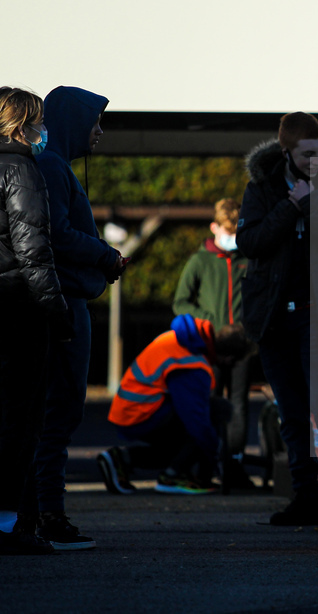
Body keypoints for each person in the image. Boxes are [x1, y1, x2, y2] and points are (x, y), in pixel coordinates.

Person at [237, 112, 318, 525]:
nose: (317, 160)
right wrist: (290, 209)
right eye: (308, 153)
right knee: (290, 413)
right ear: (286, 149)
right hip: (273, 319)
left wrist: (312, 202)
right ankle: (306, 497)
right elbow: (249, 242)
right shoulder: (262, 188)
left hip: (317, 318)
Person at [27, 86, 127, 550]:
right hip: (64, 306)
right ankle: (49, 515)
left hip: (64, 302)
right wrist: (106, 255)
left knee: (52, 415)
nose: (100, 132)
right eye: (95, 122)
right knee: (59, 415)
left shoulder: (53, 166)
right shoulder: (51, 168)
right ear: (72, 123)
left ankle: (39, 512)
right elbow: (59, 234)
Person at [0, 87, 70, 555]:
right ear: (23, 125)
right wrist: (56, 310)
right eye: (38, 122)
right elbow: (33, 251)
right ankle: (10, 525)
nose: (42, 131)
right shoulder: (21, 168)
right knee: (20, 422)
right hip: (16, 311)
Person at [98, 315, 250, 494]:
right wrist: (214, 453)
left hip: (132, 407)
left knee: (188, 434)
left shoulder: (182, 340)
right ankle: (173, 475)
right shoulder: (192, 362)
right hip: (141, 412)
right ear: (229, 358)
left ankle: (122, 459)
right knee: (209, 418)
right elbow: (195, 419)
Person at [173, 197, 255, 488]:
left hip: (243, 344)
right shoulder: (200, 261)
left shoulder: (249, 259)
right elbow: (181, 302)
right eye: (227, 232)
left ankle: (234, 465)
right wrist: (207, 321)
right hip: (209, 346)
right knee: (208, 404)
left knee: (238, 406)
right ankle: (205, 466)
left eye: (236, 232)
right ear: (214, 227)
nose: (232, 239)